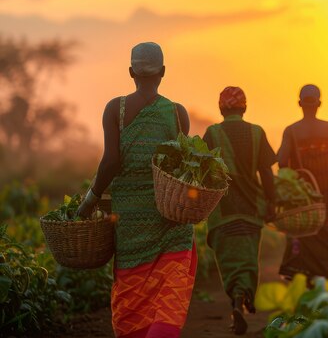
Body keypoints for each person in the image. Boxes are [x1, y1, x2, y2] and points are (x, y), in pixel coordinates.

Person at [76, 42, 196, 338]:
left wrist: (90, 200)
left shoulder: (115, 109)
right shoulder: (178, 114)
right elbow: (181, 168)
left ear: (131, 72)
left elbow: (111, 162)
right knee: (169, 300)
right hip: (171, 221)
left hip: (131, 225)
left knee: (133, 305)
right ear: (163, 72)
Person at [202, 86, 276, 335]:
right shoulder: (257, 132)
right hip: (252, 209)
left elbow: (201, 171)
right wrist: (272, 202)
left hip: (222, 211)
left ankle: (236, 299)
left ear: (221, 108)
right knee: (247, 258)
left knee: (229, 261)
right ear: (244, 107)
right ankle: (243, 297)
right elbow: (266, 172)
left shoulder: (212, 134)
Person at [277, 84, 328, 279]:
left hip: (304, 202)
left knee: (305, 242)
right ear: (320, 103)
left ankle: (304, 284)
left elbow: (282, 161)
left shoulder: (291, 131)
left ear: (299, 103)